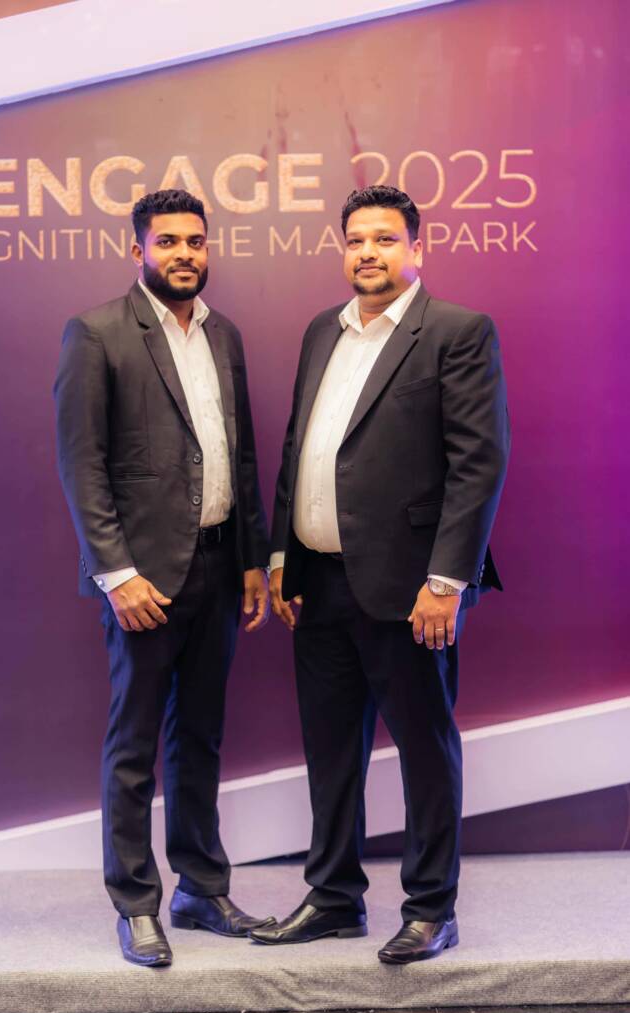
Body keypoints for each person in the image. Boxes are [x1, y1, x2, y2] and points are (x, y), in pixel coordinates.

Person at [252, 185, 510, 963]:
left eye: (385, 239)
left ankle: (431, 908)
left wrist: (446, 582)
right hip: (318, 584)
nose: (368, 252)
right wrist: (280, 556)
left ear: (415, 248)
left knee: (424, 749)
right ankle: (333, 898)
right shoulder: (320, 331)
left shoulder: (456, 330)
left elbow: (478, 464)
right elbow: (298, 447)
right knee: (330, 752)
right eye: (356, 239)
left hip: (410, 587)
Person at [54, 188, 274, 968]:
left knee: (200, 737)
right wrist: (115, 574)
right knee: (134, 745)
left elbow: (240, 455)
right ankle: (135, 903)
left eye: (195, 241)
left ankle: (201, 889)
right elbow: (81, 465)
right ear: (138, 250)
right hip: (141, 580)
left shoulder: (224, 334)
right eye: (168, 241)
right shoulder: (97, 333)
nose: (184, 253)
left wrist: (251, 558)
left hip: (219, 568)